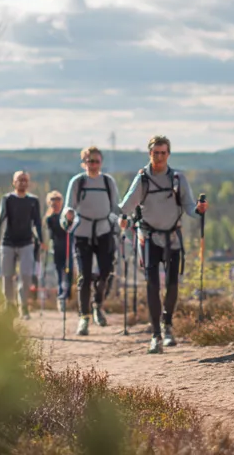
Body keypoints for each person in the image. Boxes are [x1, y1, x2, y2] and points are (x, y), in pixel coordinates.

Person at [119, 135, 209, 354]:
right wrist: (122, 215)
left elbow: (188, 206)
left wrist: (198, 210)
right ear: (149, 153)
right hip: (148, 238)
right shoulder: (143, 179)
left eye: (163, 153)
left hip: (172, 238)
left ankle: (167, 326)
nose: (159, 157)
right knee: (152, 285)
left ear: (168, 154)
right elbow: (126, 205)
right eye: (155, 152)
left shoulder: (178, 179)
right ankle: (156, 336)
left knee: (172, 284)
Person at [62, 146, 120, 336]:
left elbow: (116, 207)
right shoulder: (78, 181)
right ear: (84, 163)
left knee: (106, 272)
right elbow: (68, 206)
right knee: (84, 276)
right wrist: (67, 216)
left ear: (101, 162)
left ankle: (98, 305)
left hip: (104, 232)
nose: (93, 164)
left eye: (96, 161)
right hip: (82, 233)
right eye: (90, 161)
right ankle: (84, 318)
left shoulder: (107, 181)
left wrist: (113, 223)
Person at [0, 170, 43, 319]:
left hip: (27, 243)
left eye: (25, 180)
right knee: (7, 276)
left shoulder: (33, 201)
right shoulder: (7, 199)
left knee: (26, 276)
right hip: (8, 242)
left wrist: (41, 240)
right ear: (13, 182)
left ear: (28, 183)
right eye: (19, 180)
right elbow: (1, 218)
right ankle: (9, 305)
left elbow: (38, 223)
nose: (22, 182)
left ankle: (24, 307)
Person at [44, 189, 73, 312]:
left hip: (69, 246)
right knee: (60, 273)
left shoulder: (65, 215)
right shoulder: (49, 218)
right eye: (53, 200)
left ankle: (67, 294)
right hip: (57, 248)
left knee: (69, 272)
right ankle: (61, 296)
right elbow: (50, 234)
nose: (55, 202)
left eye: (58, 200)